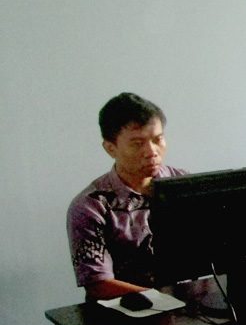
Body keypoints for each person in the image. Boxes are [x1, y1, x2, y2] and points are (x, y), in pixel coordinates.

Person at [67, 92, 186, 300]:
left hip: (190, 303)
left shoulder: (185, 185)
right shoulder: (90, 206)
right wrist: (165, 301)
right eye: (137, 143)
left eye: (157, 139)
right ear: (110, 148)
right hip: (127, 309)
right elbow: (98, 284)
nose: (152, 151)